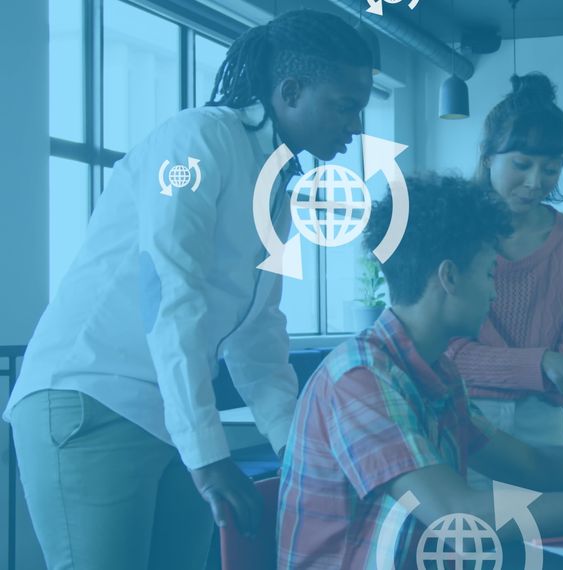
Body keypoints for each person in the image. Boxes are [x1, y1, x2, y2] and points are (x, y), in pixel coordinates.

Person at [4, 11, 373, 569]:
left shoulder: (276, 186)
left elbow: (258, 335)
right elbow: (168, 292)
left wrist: (297, 453)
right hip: (91, 399)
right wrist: (206, 455)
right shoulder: (197, 139)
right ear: (290, 91)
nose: (356, 126)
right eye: (345, 104)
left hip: (171, 415)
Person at [277, 175, 563, 569]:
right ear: (449, 277)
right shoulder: (360, 378)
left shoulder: (433, 371)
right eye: (488, 274)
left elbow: (534, 466)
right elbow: (455, 515)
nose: (494, 293)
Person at [444, 73, 563, 488]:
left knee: (542, 546)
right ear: (487, 156)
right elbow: (445, 352)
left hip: (543, 423)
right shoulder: (452, 231)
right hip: (462, 414)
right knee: (469, 547)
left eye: (550, 169)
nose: (535, 182)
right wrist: (539, 363)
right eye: (522, 164)